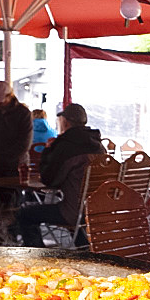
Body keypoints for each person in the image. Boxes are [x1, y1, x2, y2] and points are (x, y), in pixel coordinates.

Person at [14, 103, 105, 247]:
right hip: (97, 211)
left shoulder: (65, 146)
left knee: (25, 212)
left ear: (65, 122)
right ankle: (84, 249)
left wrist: (49, 151)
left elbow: (50, 180)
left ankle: (38, 256)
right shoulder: (99, 146)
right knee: (73, 208)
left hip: (73, 213)